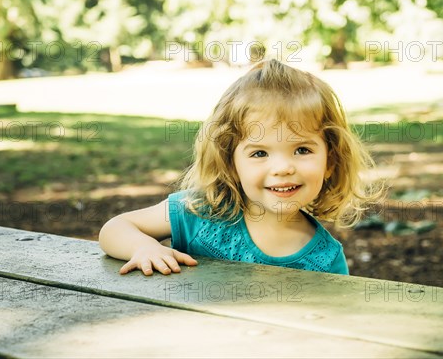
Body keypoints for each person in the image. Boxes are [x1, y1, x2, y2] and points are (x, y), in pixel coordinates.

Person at [99, 59, 379, 276]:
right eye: (259, 153)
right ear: (230, 162)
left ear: (330, 161)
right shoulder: (199, 213)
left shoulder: (327, 258)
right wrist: (143, 246)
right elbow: (116, 227)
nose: (282, 168)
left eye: (302, 150)